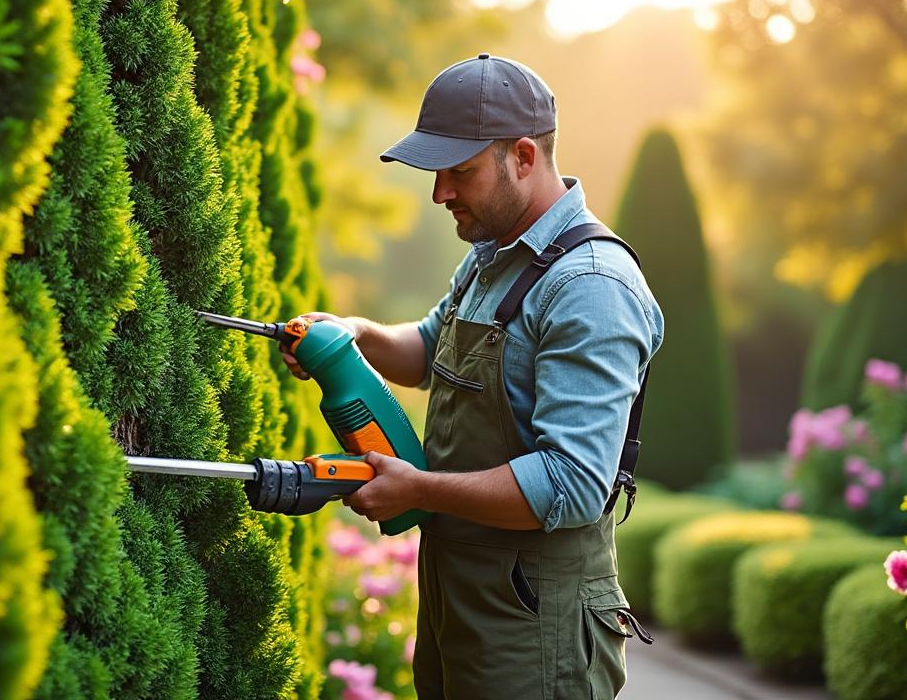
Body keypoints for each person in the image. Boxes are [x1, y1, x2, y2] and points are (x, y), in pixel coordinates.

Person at [283, 54, 663, 699]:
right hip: (461, 598)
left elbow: (570, 483)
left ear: (523, 157)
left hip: (537, 621)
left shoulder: (589, 286)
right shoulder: (495, 256)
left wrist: (420, 489)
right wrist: (355, 333)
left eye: (459, 171)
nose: (440, 194)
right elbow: (427, 349)